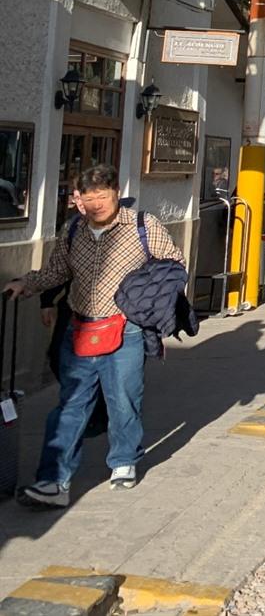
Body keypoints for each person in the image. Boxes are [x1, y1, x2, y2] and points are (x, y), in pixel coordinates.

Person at [5, 164, 186, 505]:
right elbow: (56, 271)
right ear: (79, 199)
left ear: (116, 192)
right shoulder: (73, 228)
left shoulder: (143, 225)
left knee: (123, 400)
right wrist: (26, 284)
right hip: (80, 330)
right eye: (89, 198)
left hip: (126, 330)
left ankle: (123, 461)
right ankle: (53, 483)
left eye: (102, 196)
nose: (96, 204)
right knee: (70, 406)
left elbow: (174, 265)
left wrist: (147, 299)